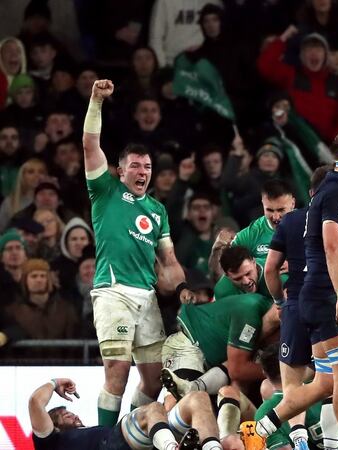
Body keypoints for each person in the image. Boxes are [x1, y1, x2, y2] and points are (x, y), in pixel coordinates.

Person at [256, 132, 338, 450]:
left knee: (326, 381)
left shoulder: (327, 193)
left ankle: (259, 430)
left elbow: (332, 253)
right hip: (328, 298)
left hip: (313, 296)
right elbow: (331, 245)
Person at [82, 79, 197, 427]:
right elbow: (89, 144)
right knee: (116, 373)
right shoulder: (104, 192)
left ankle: (127, 433)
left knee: (151, 381)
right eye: (135, 166)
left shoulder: (157, 211)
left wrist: (181, 289)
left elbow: (170, 261)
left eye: (147, 167)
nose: (142, 172)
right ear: (120, 171)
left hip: (147, 299)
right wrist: (96, 101)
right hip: (112, 293)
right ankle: (105, 441)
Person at [160, 245, 275, 402]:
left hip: (213, 355)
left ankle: (196, 390)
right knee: (178, 405)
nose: (246, 281)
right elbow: (237, 370)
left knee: (245, 361)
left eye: (248, 273)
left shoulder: (275, 278)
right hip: (188, 344)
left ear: (254, 263)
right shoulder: (247, 310)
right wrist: (282, 370)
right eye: (238, 278)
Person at [28, 377, 223, 450]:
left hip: (146, 442)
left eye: (70, 412)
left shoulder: (89, 431)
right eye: (64, 415)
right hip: (113, 444)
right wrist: (54, 383)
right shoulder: (49, 443)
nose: (72, 415)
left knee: (198, 398)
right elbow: (35, 402)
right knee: (153, 409)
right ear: (52, 425)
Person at [209, 179, 296, 281]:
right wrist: (216, 249)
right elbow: (220, 276)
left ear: (292, 204)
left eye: (281, 210)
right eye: (269, 210)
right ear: (263, 203)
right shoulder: (251, 234)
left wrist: (297, 266)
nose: (276, 217)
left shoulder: (309, 226)